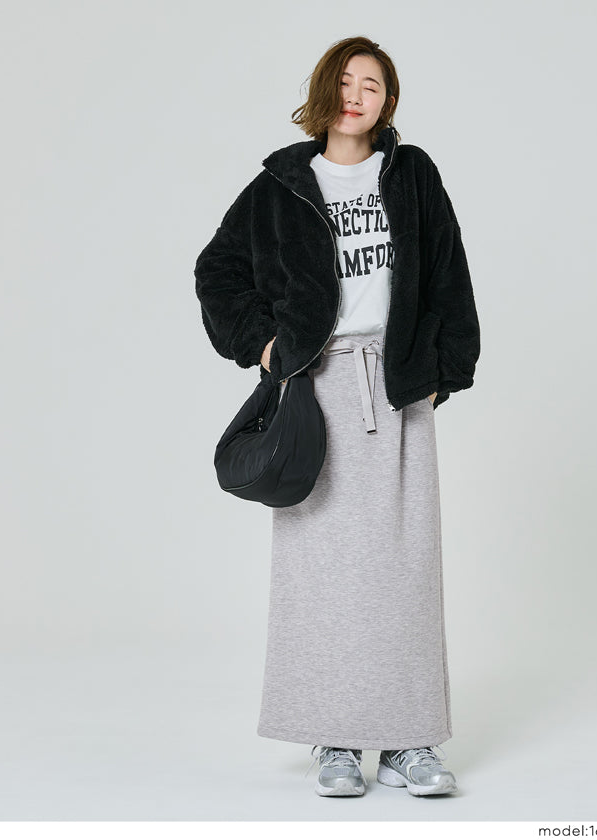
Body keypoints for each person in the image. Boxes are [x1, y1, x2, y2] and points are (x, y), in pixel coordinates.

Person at [194, 36, 481, 798]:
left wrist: (443, 374)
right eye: (347, 82)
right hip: (318, 390)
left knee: (405, 571)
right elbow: (217, 271)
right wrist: (265, 347)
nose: (357, 96)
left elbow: (449, 271)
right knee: (321, 575)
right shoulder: (281, 186)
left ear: (389, 102)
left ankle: (410, 739)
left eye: (373, 85)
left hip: (397, 385)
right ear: (326, 91)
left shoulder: (411, 175)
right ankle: (335, 739)